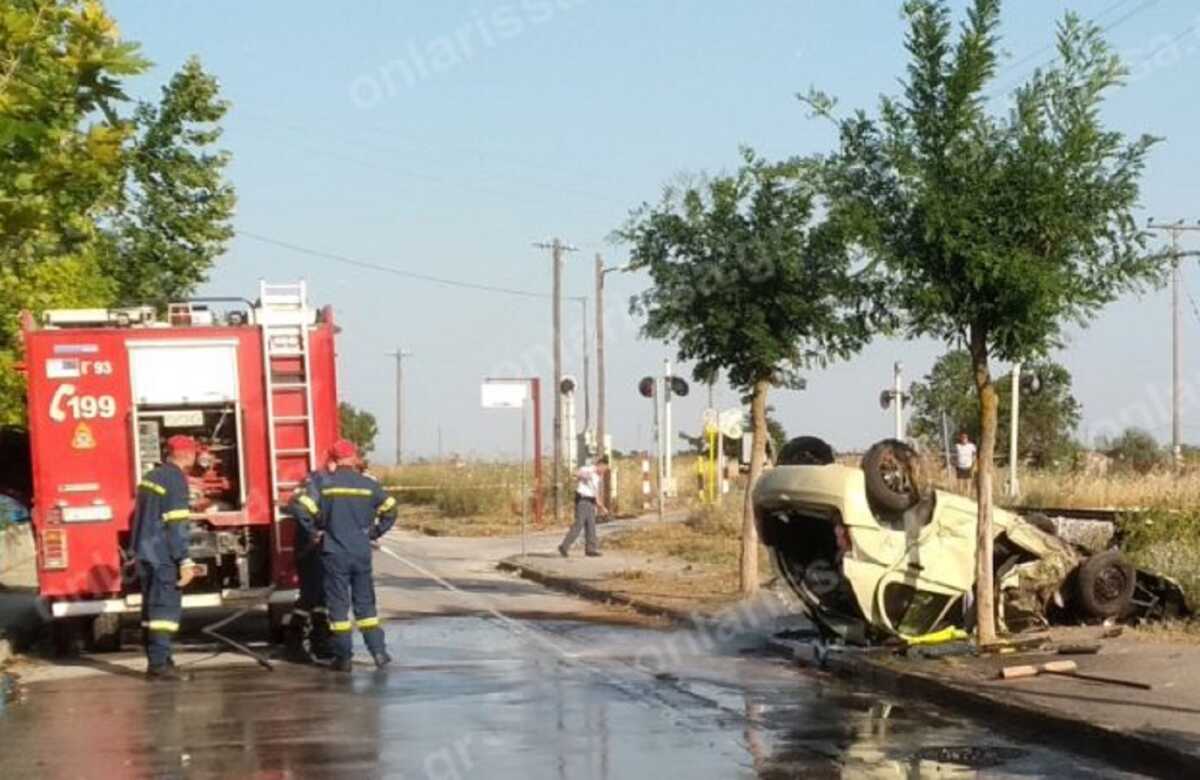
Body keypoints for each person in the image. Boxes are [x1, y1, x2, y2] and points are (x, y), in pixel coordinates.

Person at [298, 439, 398, 672]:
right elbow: (391, 509)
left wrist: (314, 532)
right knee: (366, 606)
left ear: (333, 459)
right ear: (354, 458)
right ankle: (379, 653)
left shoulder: (324, 485)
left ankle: (343, 659)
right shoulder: (368, 485)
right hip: (361, 552)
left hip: (334, 553)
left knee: (339, 608)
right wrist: (374, 532)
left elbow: (301, 508)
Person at [129, 435, 198, 681]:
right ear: (189, 455)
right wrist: (185, 560)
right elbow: (177, 524)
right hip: (162, 554)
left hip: (145, 551)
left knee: (151, 608)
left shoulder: (151, 477)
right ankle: (159, 665)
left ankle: (158, 659)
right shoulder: (176, 480)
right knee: (164, 609)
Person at [284, 460, 336, 662]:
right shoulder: (319, 481)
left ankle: (320, 640)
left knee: (322, 596)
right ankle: (295, 642)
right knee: (311, 594)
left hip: (324, 546)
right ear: (333, 462)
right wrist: (315, 531)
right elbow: (298, 505)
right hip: (311, 546)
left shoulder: (336, 481)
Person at [558, 456, 610, 558]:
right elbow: (576, 473)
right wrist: (585, 475)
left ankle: (591, 549)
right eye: (604, 468)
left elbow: (594, 494)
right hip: (582, 500)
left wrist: (601, 507)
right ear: (600, 465)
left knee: (591, 525)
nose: (604, 470)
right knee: (579, 524)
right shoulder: (588, 469)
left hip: (591, 501)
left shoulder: (598, 477)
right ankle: (564, 546)